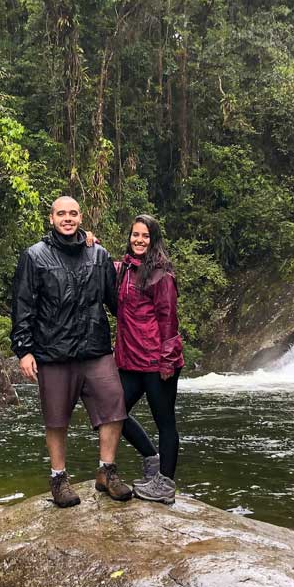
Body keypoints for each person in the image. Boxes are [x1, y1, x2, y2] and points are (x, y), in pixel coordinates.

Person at [11, 196, 133, 508]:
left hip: (95, 348)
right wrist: (24, 350)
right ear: (51, 219)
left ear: (81, 218)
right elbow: (24, 305)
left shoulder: (98, 254)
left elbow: (116, 302)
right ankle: (59, 478)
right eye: (61, 213)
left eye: (73, 213)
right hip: (53, 351)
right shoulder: (34, 256)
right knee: (56, 418)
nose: (68, 218)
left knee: (114, 405)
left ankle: (106, 471)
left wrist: (145, 335)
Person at [114, 214, 184, 504]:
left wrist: (168, 360)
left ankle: (165, 484)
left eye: (145, 236)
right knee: (112, 413)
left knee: (165, 421)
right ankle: (151, 459)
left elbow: (169, 320)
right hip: (130, 361)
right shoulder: (124, 270)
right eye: (135, 235)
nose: (139, 240)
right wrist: (88, 240)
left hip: (157, 362)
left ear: (154, 240)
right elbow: (99, 259)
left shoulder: (161, 275)